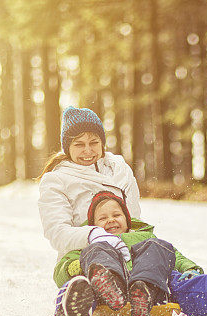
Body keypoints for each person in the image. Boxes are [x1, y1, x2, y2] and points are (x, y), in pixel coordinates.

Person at [53, 191, 207, 316]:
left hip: (154, 286)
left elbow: (175, 255)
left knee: (166, 259)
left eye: (116, 215)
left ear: (127, 220)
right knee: (79, 284)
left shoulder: (146, 238)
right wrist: (76, 265)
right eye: (102, 218)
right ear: (92, 226)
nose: (111, 220)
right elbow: (60, 271)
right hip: (105, 289)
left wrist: (190, 269)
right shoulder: (89, 243)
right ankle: (76, 308)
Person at [37, 106, 141, 266]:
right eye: (79, 144)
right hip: (81, 259)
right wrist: (93, 235)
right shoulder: (56, 180)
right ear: (67, 148)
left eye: (94, 142)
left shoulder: (120, 170)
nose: (88, 150)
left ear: (102, 143)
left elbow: (134, 220)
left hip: (127, 254)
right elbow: (57, 232)